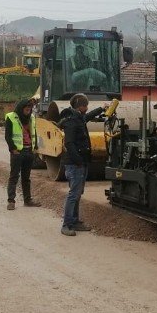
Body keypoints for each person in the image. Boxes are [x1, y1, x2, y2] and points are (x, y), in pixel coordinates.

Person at [58, 93, 105, 236]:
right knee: (73, 194)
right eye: (86, 105)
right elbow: (69, 143)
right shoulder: (72, 121)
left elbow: (88, 116)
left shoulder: (78, 118)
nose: (87, 108)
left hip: (81, 163)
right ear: (80, 106)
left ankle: (75, 221)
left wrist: (101, 109)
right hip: (75, 164)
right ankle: (66, 225)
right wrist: (78, 161)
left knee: (77, 194)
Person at [4, 98, 40, 211]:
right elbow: (8, 136)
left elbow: (34, 132)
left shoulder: (32, 118)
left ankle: (27, 200)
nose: (28, 111)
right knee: (14, 176)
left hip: (29, 151)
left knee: (26, 178)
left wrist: (35, 147)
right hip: (18, 152)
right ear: (21, 108)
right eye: (26, 109)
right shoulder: (11, 117)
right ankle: (11, 201)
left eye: (30, 109)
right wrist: (13, 149)